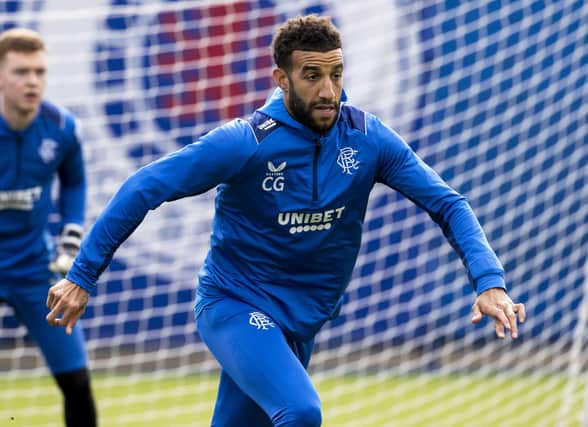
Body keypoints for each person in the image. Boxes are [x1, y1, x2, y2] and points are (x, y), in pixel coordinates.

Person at [46, 14, 525, 427]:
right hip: (235, 304)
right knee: (300, 412)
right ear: (281, 78)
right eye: (312, 75)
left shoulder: (369, 139)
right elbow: (143, 187)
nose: (328, 90)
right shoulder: (245, 142)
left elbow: (449, 204)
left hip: (303, 319)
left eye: (336, 74)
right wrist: (82, 276)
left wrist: (489, 282)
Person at [0, 28, 97, 426]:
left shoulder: (61, 127)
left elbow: (74, 181)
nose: (32, 82)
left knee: (76, 381)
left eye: (39, 72)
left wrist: (71, 234)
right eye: (21, 72)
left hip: (34, 269)